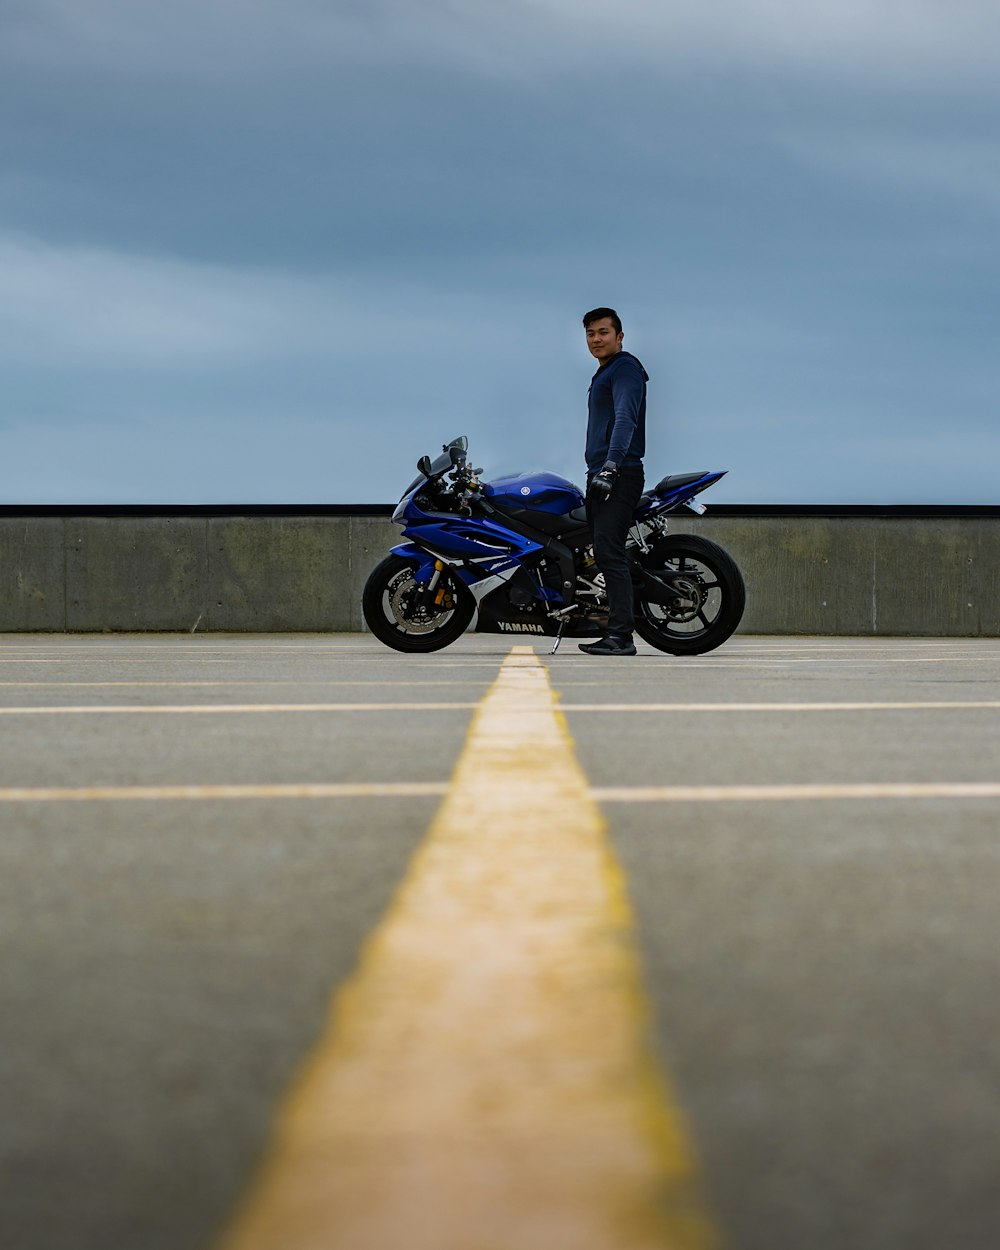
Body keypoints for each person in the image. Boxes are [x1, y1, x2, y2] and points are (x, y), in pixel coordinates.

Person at [578, 306, 647, 656]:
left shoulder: (625, 369)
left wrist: (611, 467)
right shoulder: (604, 372)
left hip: (619, 474)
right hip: (602, 474)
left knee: (609, 552)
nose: (596, 339)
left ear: (619, 337)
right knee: (601, 552)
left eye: (603, 332)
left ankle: (621, 637)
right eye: (590, 333)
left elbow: (625, 419)